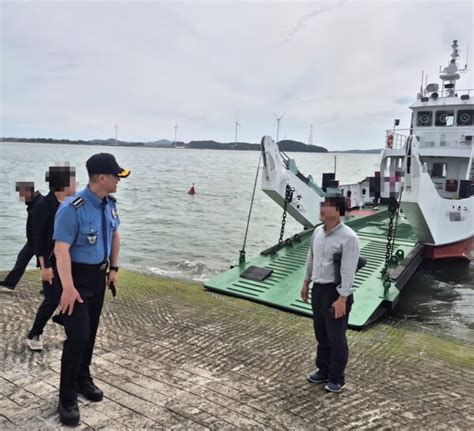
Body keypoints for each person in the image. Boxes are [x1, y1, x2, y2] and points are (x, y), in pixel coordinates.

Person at [53, 153, 129, 426]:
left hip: (99, 277)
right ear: (101, 177)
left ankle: (82, 378)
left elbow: (115, 234)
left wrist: (114, 269)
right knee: (78, 337)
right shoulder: (72, 208)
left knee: (91, 333)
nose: (119, 180)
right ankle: (66, 396)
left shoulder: (109, 204)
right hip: (76, 279)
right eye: (116, 176)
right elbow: (60, 250)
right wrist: (68, 288)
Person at [300, 196, 359, 393]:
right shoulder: (317, 231)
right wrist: (306, 283)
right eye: (322, 206)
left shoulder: (349, 237)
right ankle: (323, 370)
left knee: (336, 338)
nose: (322, 209)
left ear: (339, 211)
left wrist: (343, 298)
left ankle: (337, 378)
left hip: (336, 292)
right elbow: (311, 258)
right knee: (321, 333)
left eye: (328, 207)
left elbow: (349, 269)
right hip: (318, 289)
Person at [25, 166, 76, 351]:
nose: (76, 184)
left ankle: (65, 322)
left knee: (72, 294)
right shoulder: (42, 206)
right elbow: (36, 238)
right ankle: (34, 333)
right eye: (72, 180)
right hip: (49, 260)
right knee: (52, 299)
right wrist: (44, 267)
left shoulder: (72, 203)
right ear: (62, 184)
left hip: (69, 259)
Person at [0, 182, 42, 292]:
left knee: (46, 265)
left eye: (22, 194)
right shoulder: (32, 203)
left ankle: (51, 289)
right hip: (32, 241)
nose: (22, 198)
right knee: (21, 260)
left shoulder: (39, 204)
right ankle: (9, 284)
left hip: (40, 241)